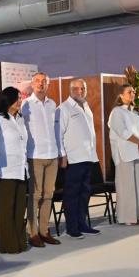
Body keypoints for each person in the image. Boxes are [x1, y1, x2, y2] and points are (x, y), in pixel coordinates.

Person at [20, 72, 62, 247]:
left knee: (48, 195)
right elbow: (21, 131)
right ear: (32, 84)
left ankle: (44, 231)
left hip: (52, 155)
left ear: (48, 84)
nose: (41, 84)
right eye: (37, 81)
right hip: (35, 155)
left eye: (44, 81)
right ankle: (33, 232)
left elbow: (57, 131)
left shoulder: (52, 104)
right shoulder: (26, 104)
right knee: (35, 196)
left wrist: (61, 153)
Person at [57, 79, 101, 237]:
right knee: (72, 195)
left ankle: (82, 223)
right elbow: (58, 134)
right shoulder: (64, 108)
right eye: (76, 88)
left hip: (88, 157)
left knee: (84, 194)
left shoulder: (86, 106)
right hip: (73, 159)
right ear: (70, 90)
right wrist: (62, 155)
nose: (80, 91)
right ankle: (72, 227)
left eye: (82, 88)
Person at [0, 87, 29, 254]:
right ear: (9, 99)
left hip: (21, 168)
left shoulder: (20, 119)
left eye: (21, 98)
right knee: (7, 208)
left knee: (20, 208)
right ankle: (8, 245)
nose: (20, 101)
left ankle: (20, 241)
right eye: (18, 98)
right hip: (5, 170)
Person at [107, 84, 139, 225]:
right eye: (129, 92)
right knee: (127, 187)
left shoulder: (136, 112)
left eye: (134, 91)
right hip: (125, 153)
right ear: (121, 94)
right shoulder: (117, 112)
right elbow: (123, 132)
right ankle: (127, 218)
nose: (132, 94)